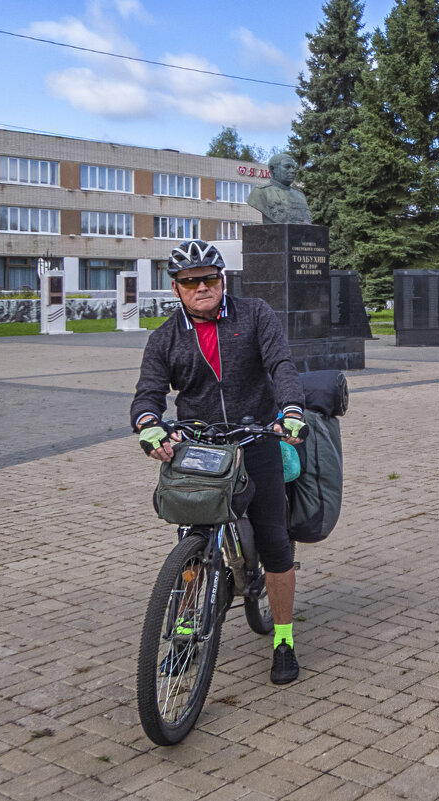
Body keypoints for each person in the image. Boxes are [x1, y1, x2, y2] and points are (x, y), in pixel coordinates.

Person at [130, 239, 307, 684]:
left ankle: (283, 638)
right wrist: (149, 424)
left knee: (274, 542)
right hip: (201, 447)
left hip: (256, 438)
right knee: (191, 543)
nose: (201, 287)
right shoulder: (166, 337)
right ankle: (187, 632)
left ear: (222, 279)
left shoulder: (254, 314)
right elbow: (148, 392)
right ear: (176, 289)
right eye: (190, 281)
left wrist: (290, 410)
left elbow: (281, 364)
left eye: (209, 278)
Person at [246, 153, 312, 224]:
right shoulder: (261, 192)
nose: (292, 171)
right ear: (273, 169)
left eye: (293, 167)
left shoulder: (300, 195)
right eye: (287, 167)